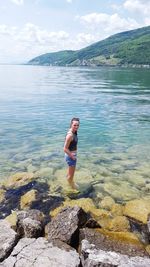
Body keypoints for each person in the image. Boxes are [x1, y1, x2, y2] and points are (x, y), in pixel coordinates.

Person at [64, 117, 80, 189]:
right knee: (71, 175)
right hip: (71, 156)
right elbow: (65, 149)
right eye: (74, 125)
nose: (76, 127)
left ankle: (69, 182)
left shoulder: (73, 132)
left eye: (77, 125)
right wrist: (72, 157)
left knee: (69, 174)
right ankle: (71, 187)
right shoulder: (70, 135)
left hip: (71, 155)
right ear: (71, 125)